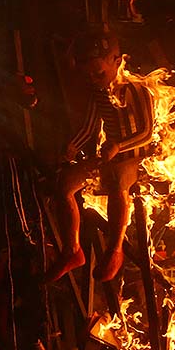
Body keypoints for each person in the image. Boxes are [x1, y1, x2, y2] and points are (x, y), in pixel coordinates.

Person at [46, 33, 155, 283]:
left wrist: (119, 145)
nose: (94, 79)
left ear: (116, 61)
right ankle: (72, 250)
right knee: (65, 184)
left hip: (134, 156)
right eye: (88, 75)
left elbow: (147, 132)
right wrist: (73, 147)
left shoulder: (137, 89)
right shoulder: (98, 93)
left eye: (99, 73)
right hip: (109, 155)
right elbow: (90, 124)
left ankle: (114, 250)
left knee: (118, 181)